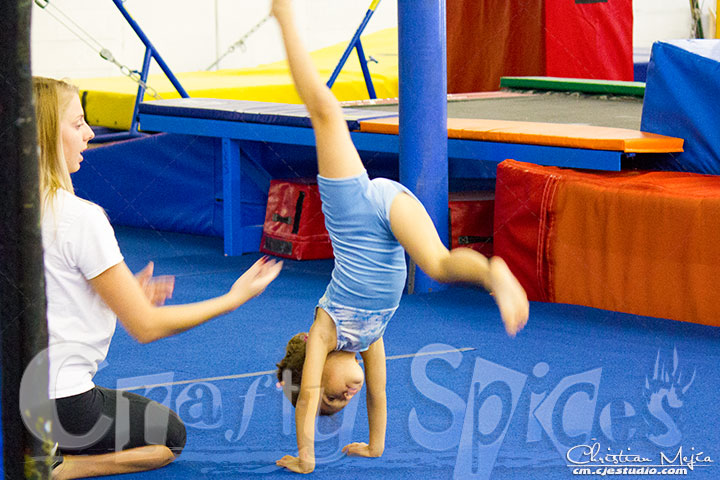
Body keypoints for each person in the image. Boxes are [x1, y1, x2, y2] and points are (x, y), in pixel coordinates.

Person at [271, 0, 529, 474]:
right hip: (389, 214)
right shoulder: (370, 336)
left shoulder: (326, 328)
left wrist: (306, 456)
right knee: (440, 265)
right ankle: (494, 272)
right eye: (340, 402)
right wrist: (375, 445)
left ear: (313, 354)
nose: (341, 395)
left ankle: (285, 18)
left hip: (351, 208)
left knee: (325, 112)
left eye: (332, 392)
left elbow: (305, 395)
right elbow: (378, 391)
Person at [34, 77, 283, 479]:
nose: (90, 134)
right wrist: (232, 298)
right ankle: (61, 468)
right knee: (169, 438)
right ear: (46, 134)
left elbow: (46, 293)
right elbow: (146, 328)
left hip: (14, 397)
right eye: (78, 124)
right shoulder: (80, 218)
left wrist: (118, 295)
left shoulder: (16, 209)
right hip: (61, 405)